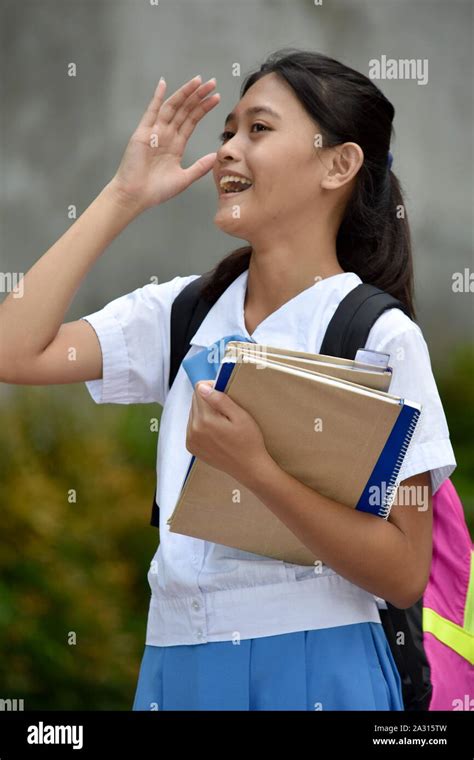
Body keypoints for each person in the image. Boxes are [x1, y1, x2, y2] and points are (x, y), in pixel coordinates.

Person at [0, 48, 456, 711]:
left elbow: (404, 571)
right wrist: (124, 194)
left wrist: (257, 472)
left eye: (259, 129)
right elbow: (14, 350)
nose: (227, 153)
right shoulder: (181, 312)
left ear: (340, 163)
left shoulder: (380, 338)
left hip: (316, 661)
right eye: (227, 133)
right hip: (174, 661)